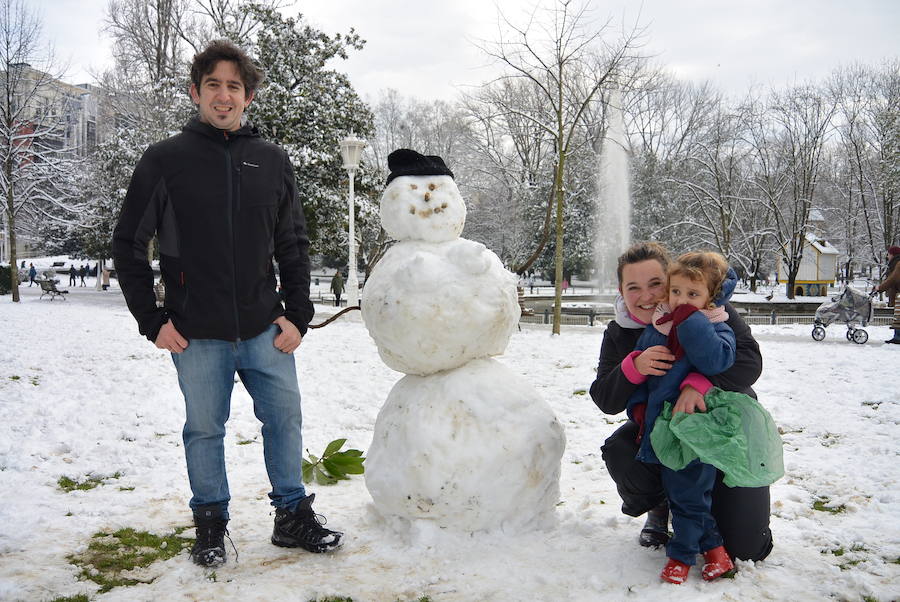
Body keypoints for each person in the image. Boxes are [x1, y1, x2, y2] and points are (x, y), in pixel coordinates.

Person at [112, 40, 342, 568]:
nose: (223, 95)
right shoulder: (165, 160)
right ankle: (210, 525)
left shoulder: (272, 160)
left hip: (265, 328)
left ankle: (291, 515)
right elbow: (128, 243)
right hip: (196, 333)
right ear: (195, 92)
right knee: (204, 429)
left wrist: (298, 315)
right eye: (212, 84)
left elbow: (293, 244)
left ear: (249, 97)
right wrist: (152, 320)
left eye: (233, 86)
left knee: (285, 420)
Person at [589, 242, 772, 568]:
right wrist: (634, 367)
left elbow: (749, 364)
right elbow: (605, 398)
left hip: (725, 434)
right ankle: (663, 504)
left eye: (655, 284)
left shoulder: (710, 309)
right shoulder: (620, 332)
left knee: (746, 549)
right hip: (665, 431)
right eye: (634, 287)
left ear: (673, 280)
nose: (646, 296)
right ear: (622, 290)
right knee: (619, 449)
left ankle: (710, 504)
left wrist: (700, 384)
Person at [622, 251, 737, 584]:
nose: (681, 301)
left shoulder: (717, 326)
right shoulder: (659, 327)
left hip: (696, 428)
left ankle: (682, 556)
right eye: (677, 292)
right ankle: (716, 553)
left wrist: (692, 320)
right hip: (663, 426)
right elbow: (645, 372)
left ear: (710, 298)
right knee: (685, 493)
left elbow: (717, 362)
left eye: (693, 295)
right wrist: (640, 408)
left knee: (687, 494)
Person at [876, 246, 900, 344]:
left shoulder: (898, 264)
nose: (887, 256)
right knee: (897, 316)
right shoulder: (895, 264)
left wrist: (880, 288)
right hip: (897, 293)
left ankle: (898, 337)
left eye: (889, 254)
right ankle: (897, 336)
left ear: (893, 254)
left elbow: (892, 279)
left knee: (898, 316)